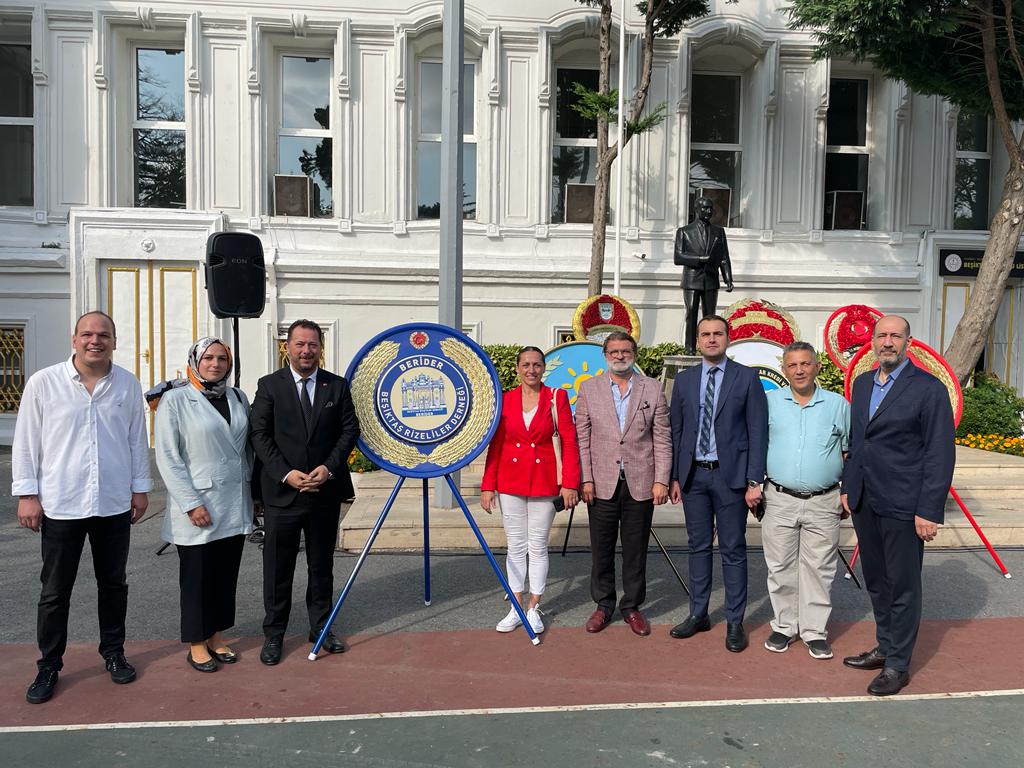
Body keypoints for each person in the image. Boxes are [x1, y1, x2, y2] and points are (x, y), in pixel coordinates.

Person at [12, 311, 152, 704]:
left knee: (114, 585)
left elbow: (136, 439)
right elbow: (26, 440)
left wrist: (140, 489)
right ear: (74, 340)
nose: (95, 341)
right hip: (62, 503)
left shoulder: (126, 384)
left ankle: (114, 653)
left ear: (114, 341)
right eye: (87, 334)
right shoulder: (44, 383)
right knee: (55, 591)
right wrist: (27, 494)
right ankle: (48, 665)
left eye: (104, 335)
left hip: (112, 502)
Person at [840, 315, 955, 696]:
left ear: (909, 342)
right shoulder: (862, 384)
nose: (887, 342)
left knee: (902, 585)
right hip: (864, 500)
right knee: (876, 581)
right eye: (881, 335)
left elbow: (939, 453)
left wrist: (929, 509)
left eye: (895, 336)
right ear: (872, 341)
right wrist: (848, 486)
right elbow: (858, 442)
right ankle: (885, 646)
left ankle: (898, 665)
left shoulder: (928, 389)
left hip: (905, 503)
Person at [250, 319, 360, 665]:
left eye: (312, 344)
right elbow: (259, 434)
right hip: (283, 493)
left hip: (324, 492)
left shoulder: (336, 386)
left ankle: (321, 628)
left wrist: (328, 468)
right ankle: (274, 634)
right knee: (277, 569)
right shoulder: (269, 386)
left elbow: (349, 431)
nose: (306, 351)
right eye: (300, 344)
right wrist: (286, 474)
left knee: (321, 566)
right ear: (288, 347)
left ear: (320, 348)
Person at [153, 338, 256, 673]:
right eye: (208, 358)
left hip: (233, 502)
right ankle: (196, 642)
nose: (215, 364)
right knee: (198, 576)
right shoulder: (175, 399)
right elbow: (168, 457)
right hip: (199, 505)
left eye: (222, 358)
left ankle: (215, 635)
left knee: (224, 575)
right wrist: (190, 503)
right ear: (195, 362)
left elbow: (248, 450)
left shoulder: (237, 397)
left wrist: (253, 495)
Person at [669, 314, 767, 652]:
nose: (712, 339)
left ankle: (735, 621)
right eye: (706, 334)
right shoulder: (685, 380)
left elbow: (757, 431)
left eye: (718, 334)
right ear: (698, 340)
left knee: (733, 549)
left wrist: (754, 480)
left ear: (728, 338)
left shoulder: (746, 378)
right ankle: (698, 613)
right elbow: (676, 430)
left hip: (731, 478)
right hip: (694, 477)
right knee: (697, 547)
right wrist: (674, 476)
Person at [575, 332, 672, 636]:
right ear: (605, 356)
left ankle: (631, 606)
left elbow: (662, 438)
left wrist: (661, 480)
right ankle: (604, 604)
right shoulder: (589, 389)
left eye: (625, 351)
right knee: (601, 549)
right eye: (614, 351)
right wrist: (585, 478)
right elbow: (582, 438)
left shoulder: (652, 389)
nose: (620, 356)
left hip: (640, 482)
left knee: (635, 550)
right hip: (601, 483)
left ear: (634, 354)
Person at [480, 347, 580, 634]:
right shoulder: (506, 400)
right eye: (525, 365)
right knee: (515, 546)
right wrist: (488, 485)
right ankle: (515, 606)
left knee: (537, 546)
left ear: (544, 368)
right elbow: (496, 444)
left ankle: (534, 607)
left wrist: (570, 483)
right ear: (517, 368)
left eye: (537, 365)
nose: (531, 370)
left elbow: (569, 441)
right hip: (510, 480)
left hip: (545, 480)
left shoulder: (556, 397)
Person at [762, 342, 850, 659]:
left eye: (805, 364)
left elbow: (849, 450)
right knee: (780, 566)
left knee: (820, 568)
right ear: (784, 370)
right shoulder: (769, 403)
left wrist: (847, 490)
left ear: (817, 367)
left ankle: (814, 631)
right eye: (793, 365)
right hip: (779, 498)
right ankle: (784, 626)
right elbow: (756, 444)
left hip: (823, 500)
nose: (799, 370)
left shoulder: (838, 405)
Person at [674, 196, 734, 352]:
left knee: (710, 317)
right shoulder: (684, 232)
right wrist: (701, 259)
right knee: (691, 312)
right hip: (692, 279)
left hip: (711, 279)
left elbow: (724, 257)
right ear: (696, 209)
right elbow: (678, 257)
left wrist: (728, 279)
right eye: (705, 208)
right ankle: (689, 348)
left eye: (710, 208)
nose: (708, 211)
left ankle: (708, 348)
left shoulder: (718, 231)